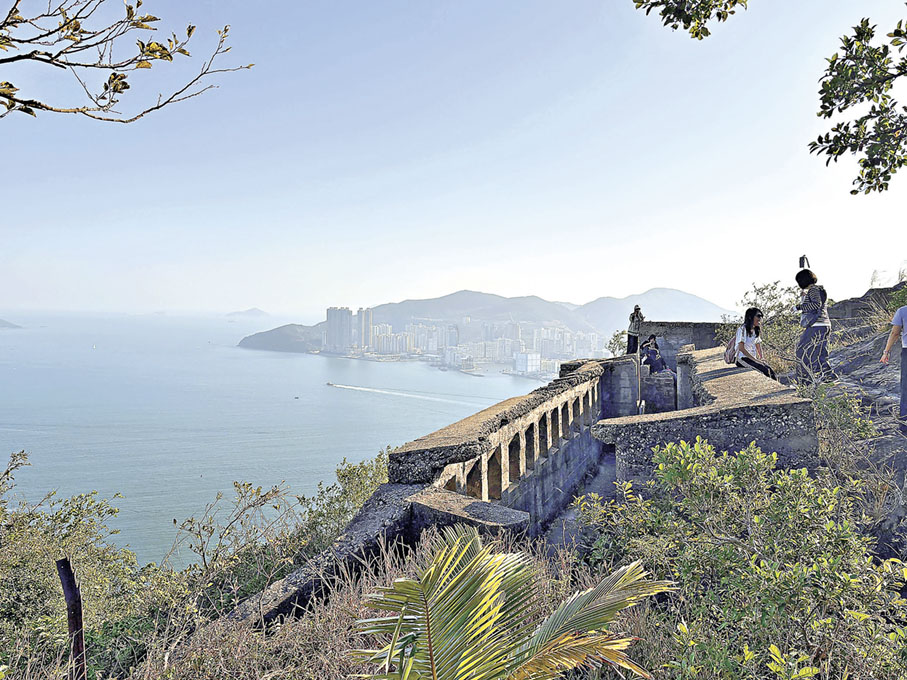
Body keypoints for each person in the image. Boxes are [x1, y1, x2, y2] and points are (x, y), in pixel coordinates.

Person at [794, 268, 832, 384]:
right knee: (820, 352)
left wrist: (798, 307)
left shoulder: (814, 290)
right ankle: (828, 376)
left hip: (816, 325)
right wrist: (804, 297)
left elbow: (816, 305)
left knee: (802, 351)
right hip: (824, 324)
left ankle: (805, 380)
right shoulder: (819, 290)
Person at [881, 303, 906, 433]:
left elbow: (895, 333)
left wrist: (886, 352)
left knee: (906, 388)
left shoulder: (902, 311)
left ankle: (905, 424)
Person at [735, 307, 777, 380]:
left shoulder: (755, 330)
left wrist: (761, 358)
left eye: (761, 316)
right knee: (763, 371)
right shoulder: (743, 329)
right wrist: (755, 360)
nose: (760, 318)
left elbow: (758, 345)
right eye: (758, 316)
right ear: (750, 317)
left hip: (751, 359)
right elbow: (741, 348)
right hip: (742, 358)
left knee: (770, 370)